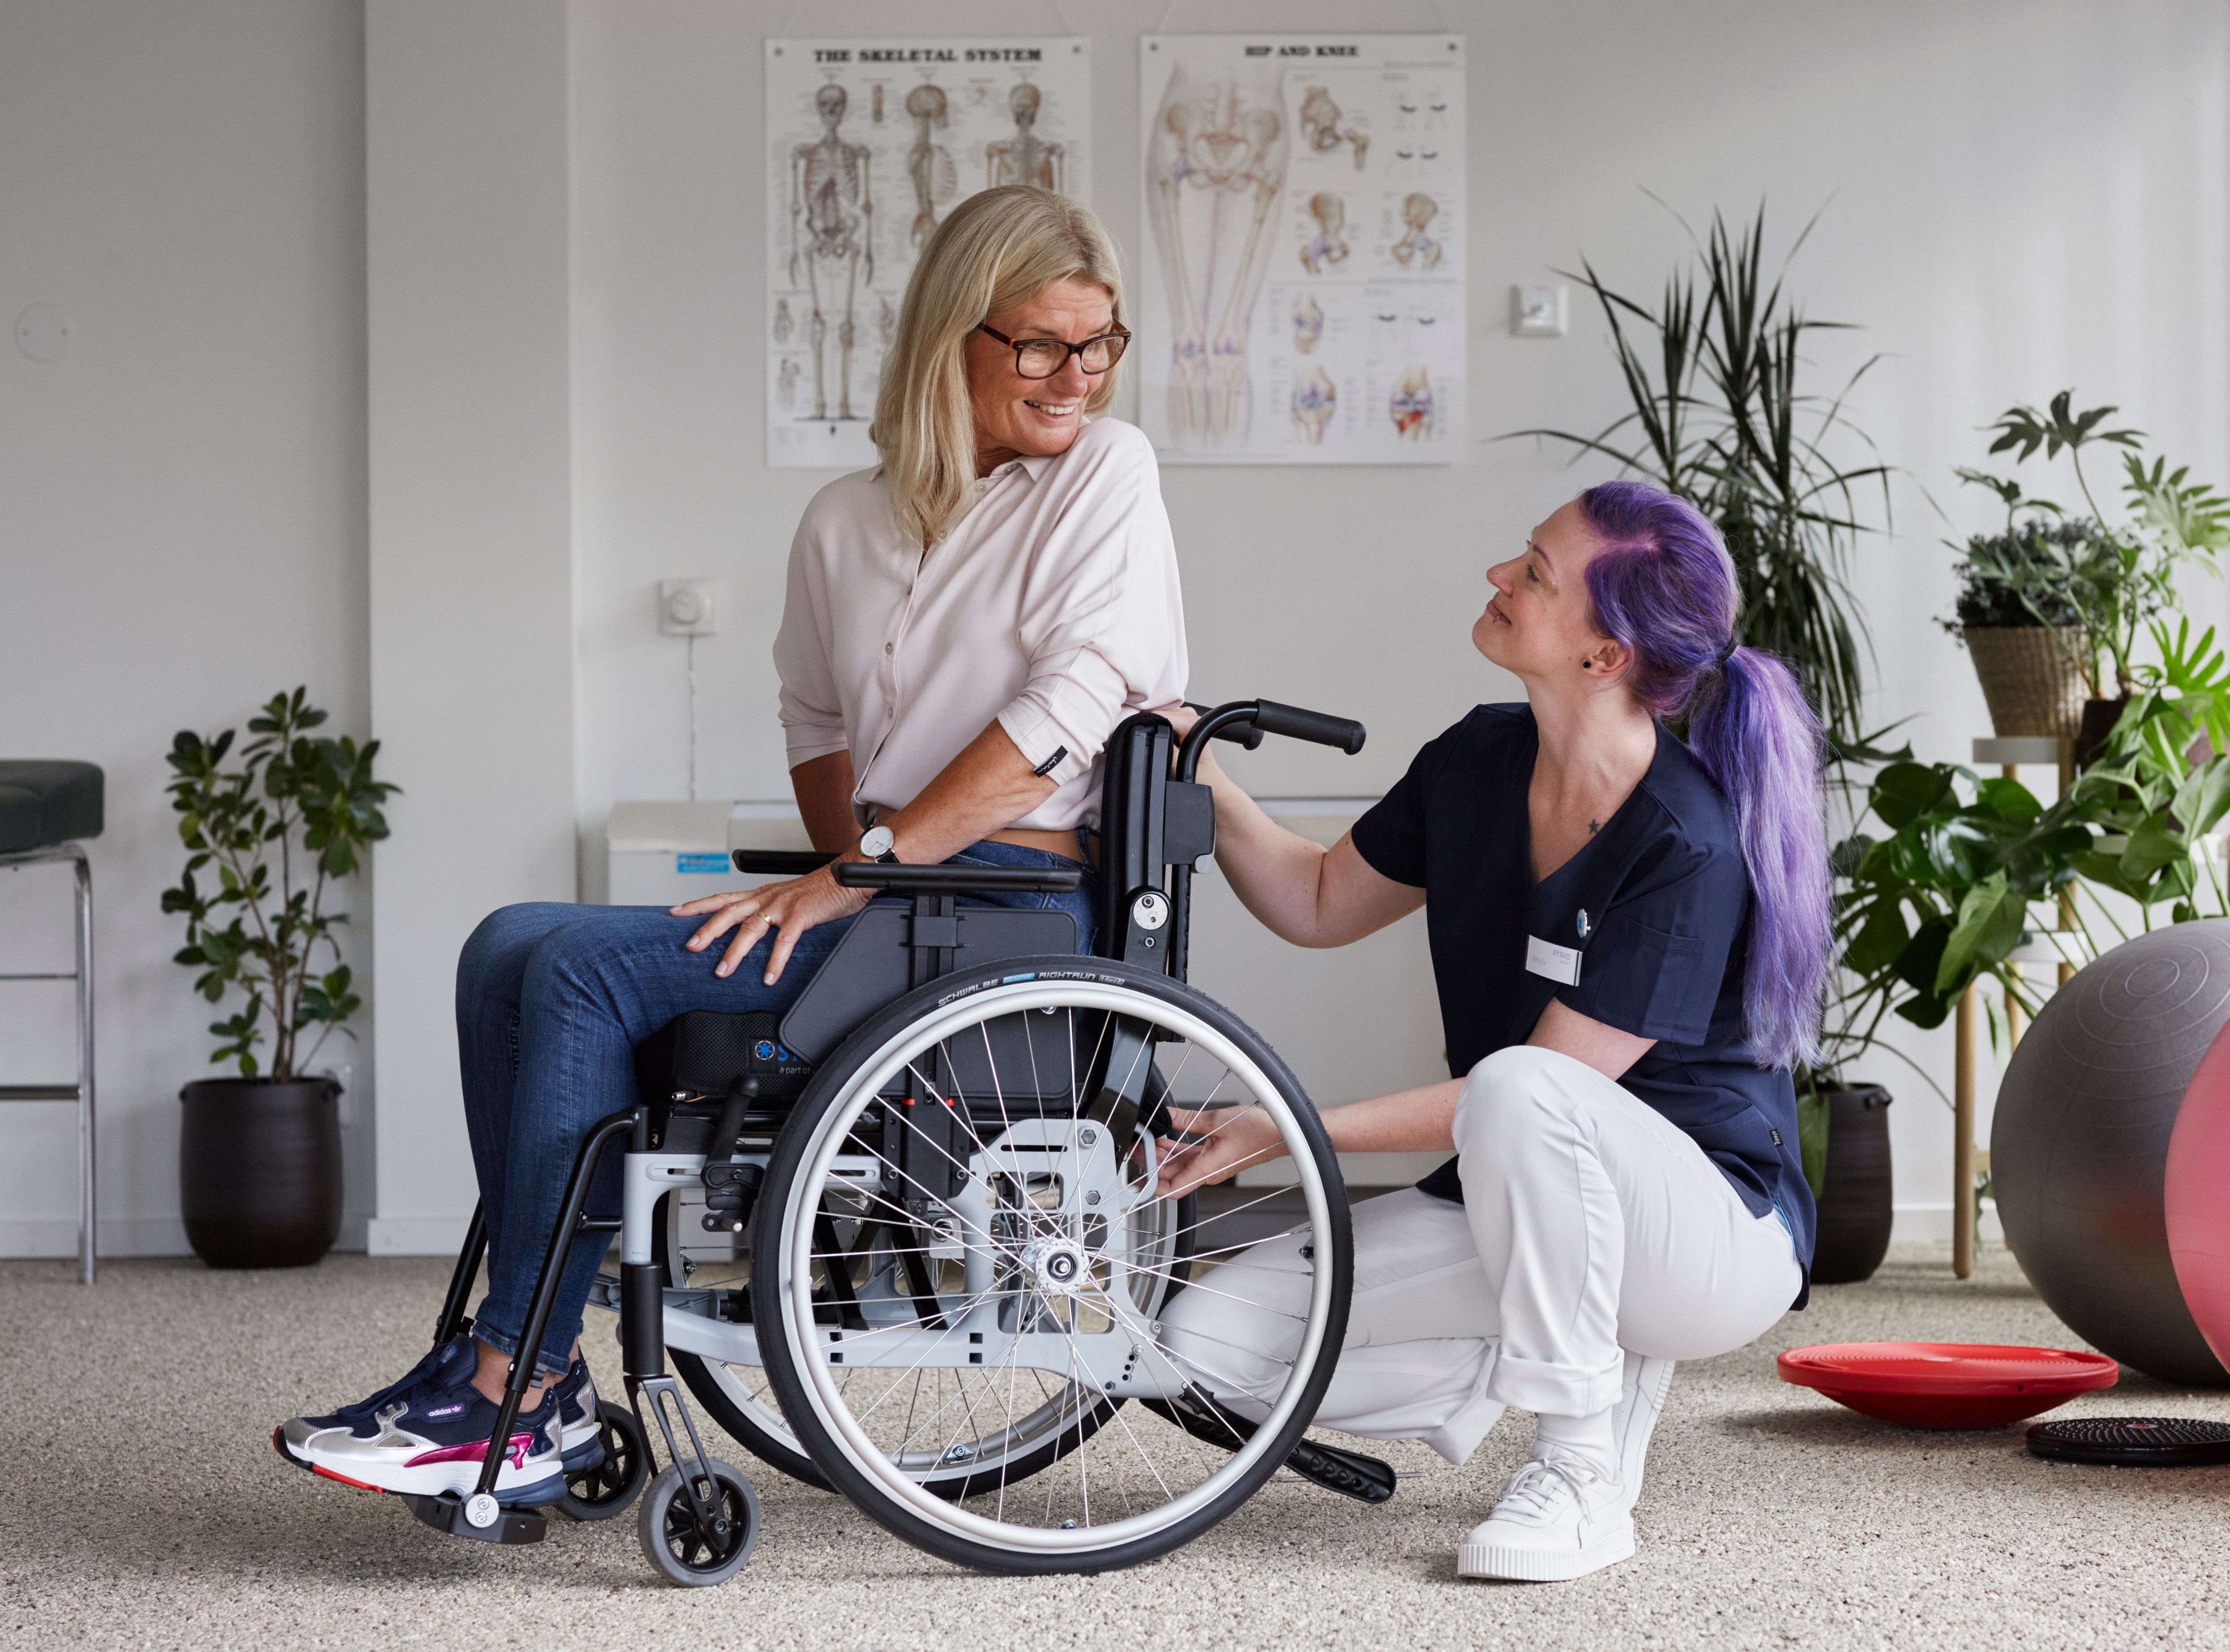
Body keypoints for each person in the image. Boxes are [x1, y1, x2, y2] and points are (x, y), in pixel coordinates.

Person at [276, 186, 1185, 1504]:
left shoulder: (1106, 475)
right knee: (506, 945)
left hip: (1017, 913)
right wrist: (854, 869)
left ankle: (513, 1387)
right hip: (897, 909)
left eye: (1098, 344)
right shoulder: (846, 517)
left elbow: (1068, 714)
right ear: (953, 337)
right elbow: (814, 716)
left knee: (581, 970)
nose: (1076, 377)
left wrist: (858, 879)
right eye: (1041, 342)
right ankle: (536, 1373)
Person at [1155, 480, 1828, 1583]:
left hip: (1704, 1237)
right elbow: (1318, 902)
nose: (1498, 578)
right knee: (1205, 1347)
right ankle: (1562, 1345)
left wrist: (1276, 1127)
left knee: (1519, 1087)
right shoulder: (1476, 760)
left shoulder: (1685, 844)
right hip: (1515, 1201)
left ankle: (1580, 1469)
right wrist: (1202, 765)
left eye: (1533, 572)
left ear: (1603, 655)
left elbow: (1529, 1094)